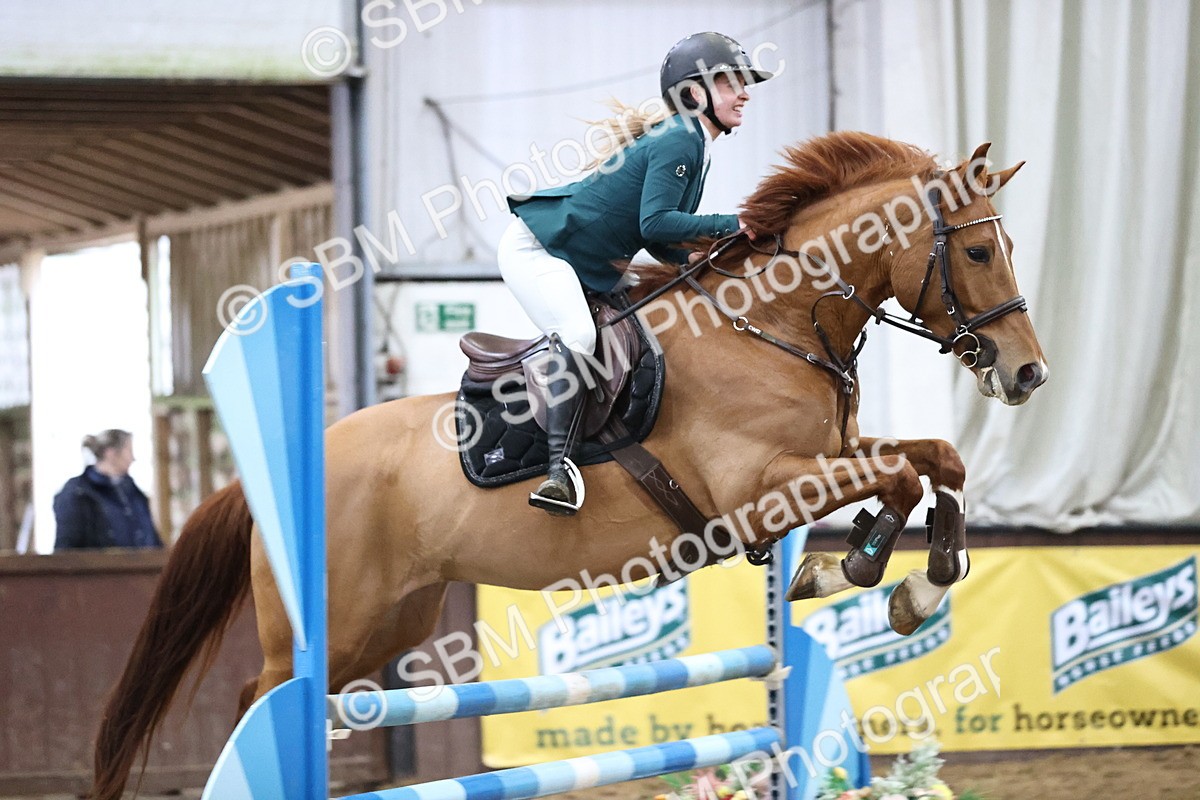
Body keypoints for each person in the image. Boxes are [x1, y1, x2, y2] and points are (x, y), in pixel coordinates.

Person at [498, 32, 773, 516]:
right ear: (694, 93)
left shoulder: (694, 144)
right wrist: (733, 224)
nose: (744, 92)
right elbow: (656, 223)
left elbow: (656, 239)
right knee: (580, 335)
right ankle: (559, 471)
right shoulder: (679, 139)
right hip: (538, 251)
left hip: (589, 261)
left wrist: (694, 261)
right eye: (731, 83)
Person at [54, 429, 161, 550]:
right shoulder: (78, 493)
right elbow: (66, 549)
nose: (133, 458)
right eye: (129, 451)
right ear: (111, 453)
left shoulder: (134, 493)